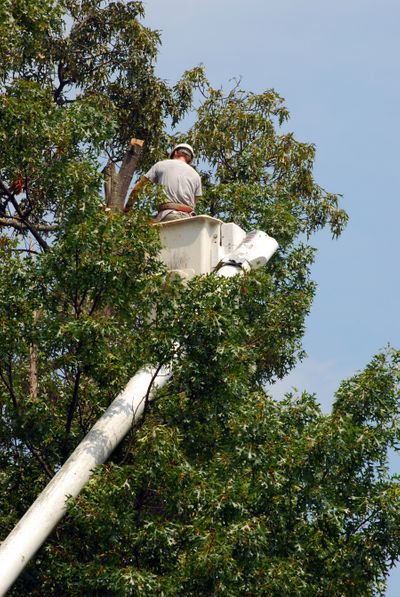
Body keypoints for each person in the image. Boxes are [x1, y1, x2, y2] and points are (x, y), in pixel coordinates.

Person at [124, 143, 202, 222]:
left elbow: (139, 187)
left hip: (167, 215)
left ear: (175, 153)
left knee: (140, 228)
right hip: (189, 220)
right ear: (190, 159)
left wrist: (127, 209)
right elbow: (194, 202)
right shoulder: (196, 176)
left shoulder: (161, 165)